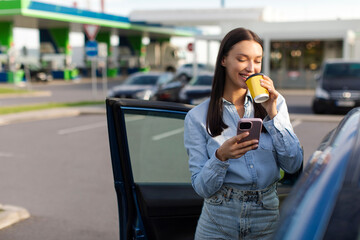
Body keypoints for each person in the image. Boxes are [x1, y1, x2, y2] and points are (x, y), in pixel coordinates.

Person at [184, 27, 303, 240]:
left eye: (257, 61)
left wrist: (272, 113)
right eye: (242, 59)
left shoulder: (276, 103)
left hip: (265, 216)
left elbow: (293, 164)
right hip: (218, 219)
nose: (251, 67)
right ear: (223, 60)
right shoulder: (197, 117)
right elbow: (202, 188)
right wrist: (221, 157)